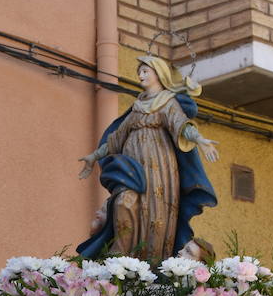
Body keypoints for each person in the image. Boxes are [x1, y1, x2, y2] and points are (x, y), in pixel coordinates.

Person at [77, 53, 219, 260]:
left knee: (155, 213)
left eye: (145, 72)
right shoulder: (137, 107)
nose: (141, 76)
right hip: (133, 170)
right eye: (139, 72)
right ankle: (124, 258)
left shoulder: (167, 102)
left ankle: (151, 263)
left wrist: (199, 139)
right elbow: (117, 138)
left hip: (159, 168)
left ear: (158, 74)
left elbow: (180, 125)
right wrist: (94, 156)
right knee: (125, 203)